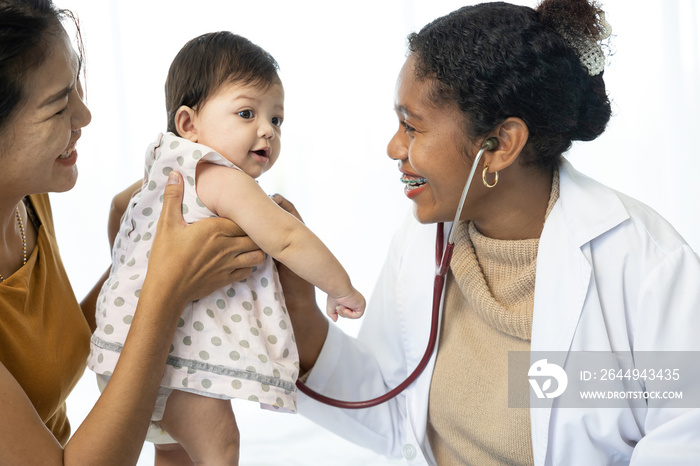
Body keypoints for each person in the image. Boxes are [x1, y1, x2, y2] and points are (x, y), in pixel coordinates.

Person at [277, 0, 700, 464]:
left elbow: (683, 439)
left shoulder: (648, 265)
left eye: (410, 126)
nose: (394, 147)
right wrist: (299, 305)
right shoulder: (425, 239)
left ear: (500, 145)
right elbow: (391, 406)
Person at [0, 1, 264, 464]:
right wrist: (165, 290)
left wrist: (135, 260)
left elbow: (52, 347)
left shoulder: (25, 198)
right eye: (60, 105)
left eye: (76, 86)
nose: (84, 116)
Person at [87, 31, 366, 464]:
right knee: (221, 447)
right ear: (188, 124)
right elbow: (287, 237)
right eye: (246, 112)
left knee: (175, 452)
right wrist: (340, 287)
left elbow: (122, 214)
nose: (267, 131)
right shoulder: (216, 174)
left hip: (126, 362)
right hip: (173, 365)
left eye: (277, 119)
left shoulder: (162, 167)